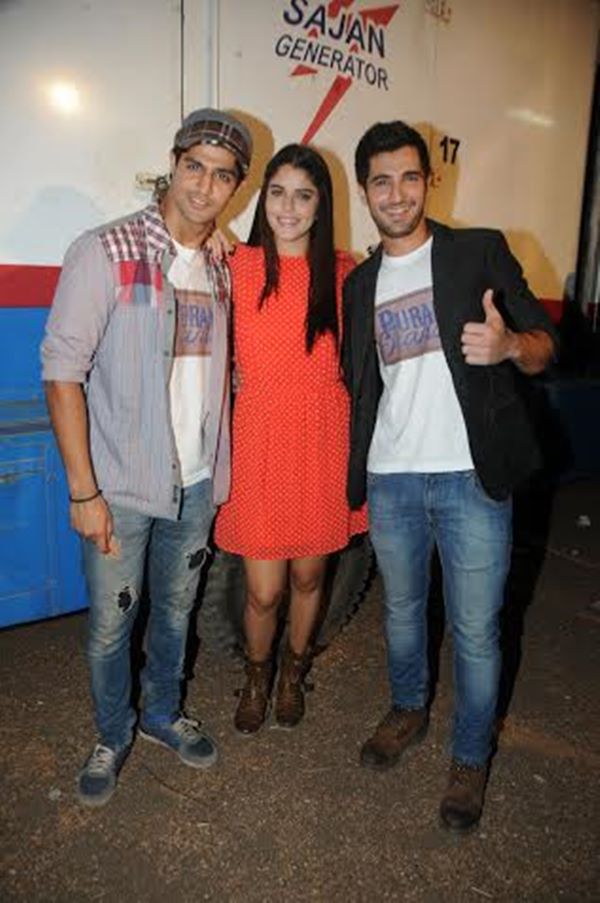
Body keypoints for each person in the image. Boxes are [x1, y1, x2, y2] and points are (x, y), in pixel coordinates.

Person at [342, 120, 557, 831]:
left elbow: (545, 346)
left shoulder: (477, 251)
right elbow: (359, 383)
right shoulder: (360, 283)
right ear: (365, 190)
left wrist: (509, 344)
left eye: (409, 177)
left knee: (475, 629)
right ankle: (408, 708)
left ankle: (470, 757)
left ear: (429, 181)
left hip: (469, 477)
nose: (396, 194)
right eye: (381, 181)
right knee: (403, 613)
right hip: (392, 477)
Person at [41, 108, 252, 807]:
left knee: (177, 610)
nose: (204, 186)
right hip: (122, 488)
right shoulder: (107, 250)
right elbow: (62, 372)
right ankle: (113, 731)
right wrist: (84, 492)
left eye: (222, 175)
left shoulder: (222, 266)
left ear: (236, 188)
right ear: (173, 163)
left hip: (196, 483)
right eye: (194, 166)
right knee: (111, 623)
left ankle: (162, 713)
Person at [214, 144, 367, 734]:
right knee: (262, 591)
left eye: (304, 196)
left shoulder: (346, 276)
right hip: (258, 442)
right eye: (277, 192)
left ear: (321, 205)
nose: (288, 207)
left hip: (322, 442)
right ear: (262, 198)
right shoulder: (237, 265)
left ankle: (292, 675)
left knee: (309, 578)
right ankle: (257, 674)